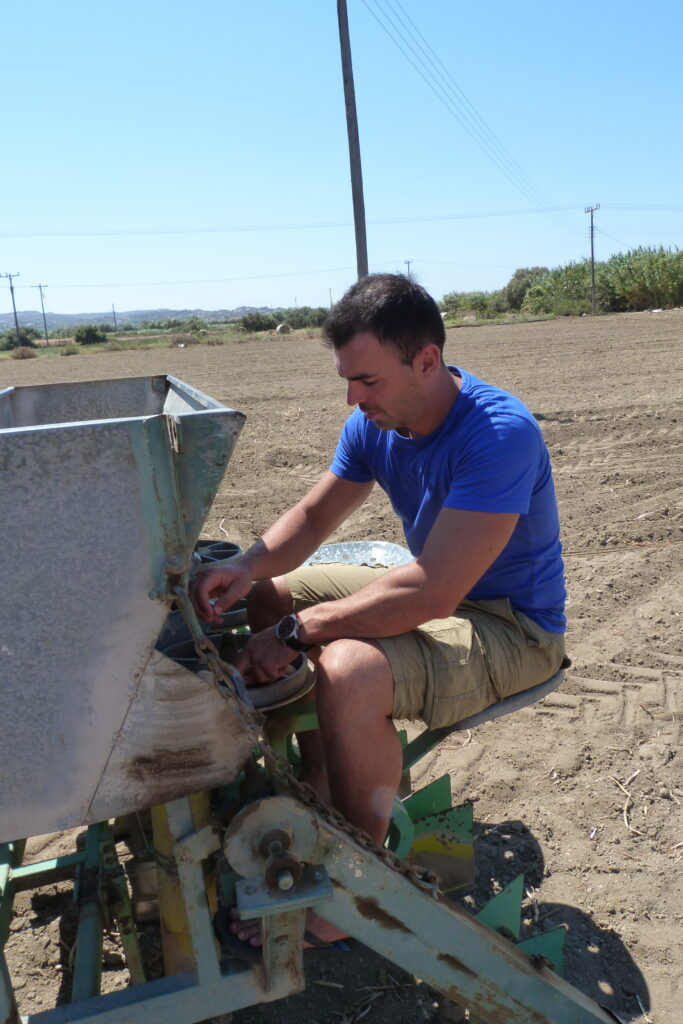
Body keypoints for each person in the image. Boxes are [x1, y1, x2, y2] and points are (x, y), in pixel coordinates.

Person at [191, 273, 565, 947]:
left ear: (425, 360)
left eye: (366, 381)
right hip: (426, 581)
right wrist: (245, 568)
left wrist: (295, 631)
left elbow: (433, 594)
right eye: (346, 380)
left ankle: (356, 885)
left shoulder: (498, 434)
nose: (351, 397)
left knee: (349, 669)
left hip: (508, 623)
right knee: (268, 590)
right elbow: (312, 517)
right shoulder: (377, 422)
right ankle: (316, 781)